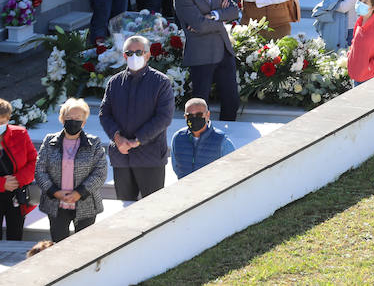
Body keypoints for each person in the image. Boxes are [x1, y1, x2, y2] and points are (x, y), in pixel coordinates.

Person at [98, 33, 174, 201]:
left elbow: (164, 117)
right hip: (121, 157)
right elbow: (105, 114)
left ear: (148, 54)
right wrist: (118, 138)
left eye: (139, 52)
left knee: (152, 209)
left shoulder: (161, 82)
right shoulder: (114, 82)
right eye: (129, 53)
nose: (134, 56)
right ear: (124, 55)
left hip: (150, 157)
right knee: (124, 208)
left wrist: (137, 140)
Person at [173, 0, 241, 122]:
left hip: (223, 49)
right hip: (201, 54)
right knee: (199, 106)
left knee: (232, 101)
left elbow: (234, 11)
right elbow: (198, 24)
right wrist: (220, 17)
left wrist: (212, 15)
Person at [34, 98, 106, 241]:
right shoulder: (49, 141)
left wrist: (80, 193)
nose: (73, 121)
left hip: (86, 204)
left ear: (84, 122)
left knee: (83, 246)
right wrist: (55, 192)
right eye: (69, 117)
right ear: (62, 119)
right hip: (56, 203)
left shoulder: (95, 143)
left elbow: (100, 172)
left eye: (78, 118)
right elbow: (40, 170)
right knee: (58, 245)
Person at [170, 98, 235, 179]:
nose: (194, 118)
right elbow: (176, 167)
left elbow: (232, 170)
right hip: (185, 189)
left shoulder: (222, 141)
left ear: (207, 115)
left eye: (199, 115)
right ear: (185, 117)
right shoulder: (178, 138)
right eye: (189, 115)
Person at [0, 97, 36, 241]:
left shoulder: (20, 134)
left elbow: (34, 161)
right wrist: (2, 183)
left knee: (15, 235)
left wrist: (17, 180)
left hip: (16, 194)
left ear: (8, 119)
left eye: (2, 122)